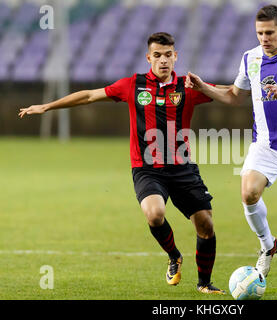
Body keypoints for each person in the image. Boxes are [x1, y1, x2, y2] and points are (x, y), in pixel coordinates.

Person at [19, 32, 225, 295]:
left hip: (182, 167)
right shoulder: (133, 85)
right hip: (147, 169)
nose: (163, 60)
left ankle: (204, 284)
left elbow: (230, 93)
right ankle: (174, 256)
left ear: (176, 57)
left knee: (206, 225)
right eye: (158, 55)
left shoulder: (189, 86)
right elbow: (90, 96)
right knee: (154, 214)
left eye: (168, 55)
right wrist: (48, 106)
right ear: (148, 57)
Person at [185, 5, 277, 293]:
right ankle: (267, 245)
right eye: (260, 33)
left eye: (270, 32)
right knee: (248, 192)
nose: (264, 38)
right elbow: (236, 96)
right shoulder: (250, 58)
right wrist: (203, 88)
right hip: (265, 145)